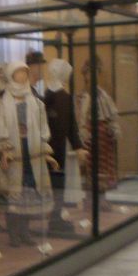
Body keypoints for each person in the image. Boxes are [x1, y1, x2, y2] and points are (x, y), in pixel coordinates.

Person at [0, 61, 57, 247]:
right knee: (14, 195)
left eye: (25, 72)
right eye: (18, 73)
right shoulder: (3, 103)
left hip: (31, 155)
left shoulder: (36, 102)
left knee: (29, 193)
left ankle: (25, 232)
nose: (22, 76)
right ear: (11, 75)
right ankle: (13, 233)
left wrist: (44, 151)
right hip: (14, 155)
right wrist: (4, 149)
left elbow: (42, 127)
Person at [44, 59, 88, 234]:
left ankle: (55, 217)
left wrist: (78, 146)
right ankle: (54, 219)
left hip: (54, 146)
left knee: (57, 182)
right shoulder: (54, 96)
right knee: (55, 183)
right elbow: (70, 125)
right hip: (52, 147)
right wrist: (78, 146)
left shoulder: (51, 95)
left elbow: (69, 125)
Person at [77, 56, 121, 197]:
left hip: (104, 136)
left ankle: (103, 196)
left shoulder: (103, 95)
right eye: (90, 73)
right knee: (91, 165)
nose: (93, 76)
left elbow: (111, 115)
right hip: (89, 135)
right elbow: (81, 117)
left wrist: (113, 128)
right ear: (86, 75)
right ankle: (91, 198)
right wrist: (83, 131)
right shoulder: (83, 96)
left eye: (95, 72)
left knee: (104, 166)